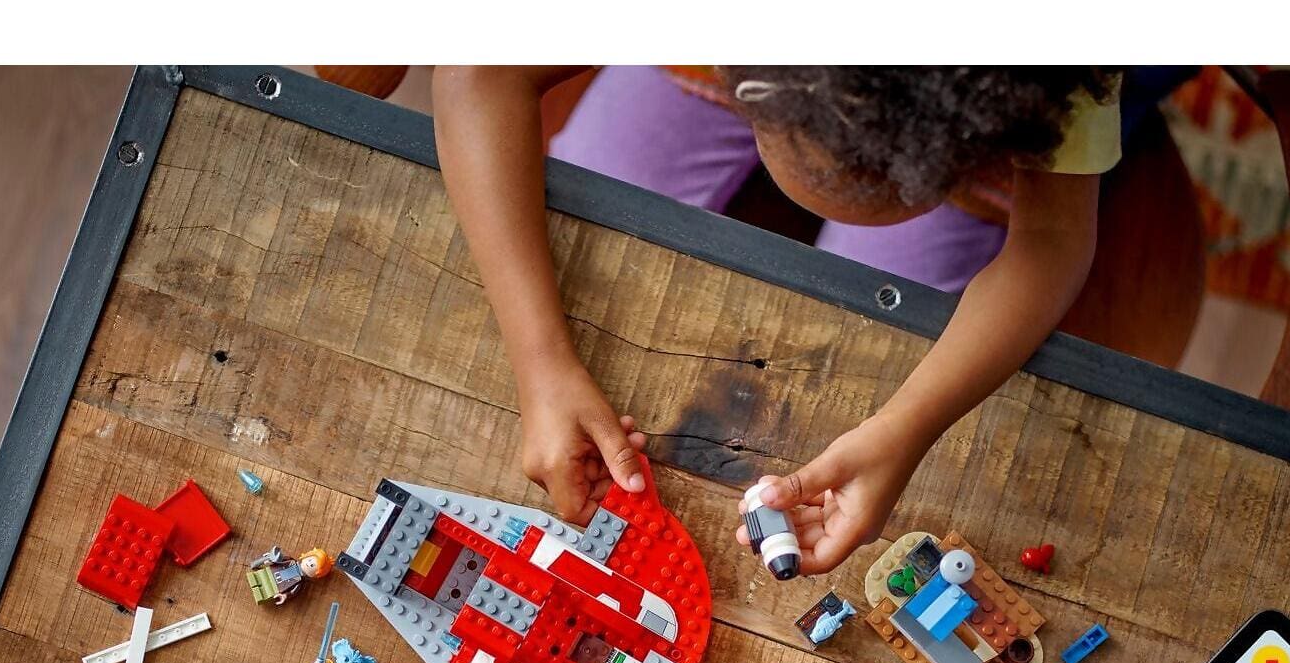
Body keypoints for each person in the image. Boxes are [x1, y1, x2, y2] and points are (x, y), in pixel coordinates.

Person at [432, 65, 1120, 573]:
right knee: (593, 190)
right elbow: (478, 75)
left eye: (899, 197)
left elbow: (1053, 241)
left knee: (898, 313)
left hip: (975, 104)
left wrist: (904, 428)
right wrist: (541, 364)